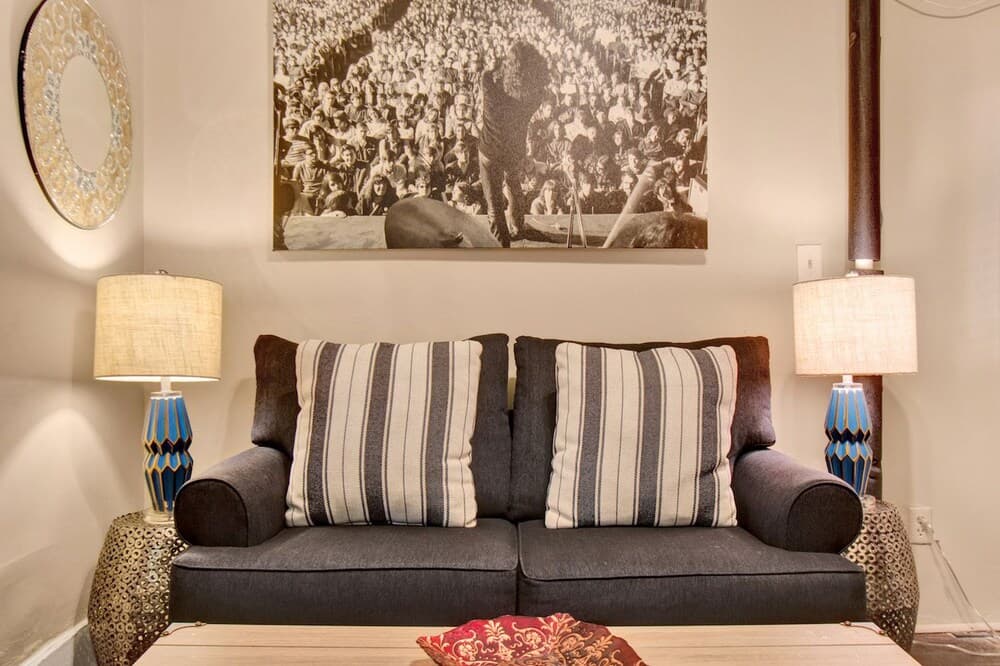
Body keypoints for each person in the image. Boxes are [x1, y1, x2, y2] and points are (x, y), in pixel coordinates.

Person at [478, 42, 549, 247]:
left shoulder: (491, 90)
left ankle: (502, 246)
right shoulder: (532, 98)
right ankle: (517, 226)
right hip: (514, 151)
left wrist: (497, 66)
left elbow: (486, 75)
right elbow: (538, 86)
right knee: (513, 186)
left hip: (490, 153)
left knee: (494, 204)